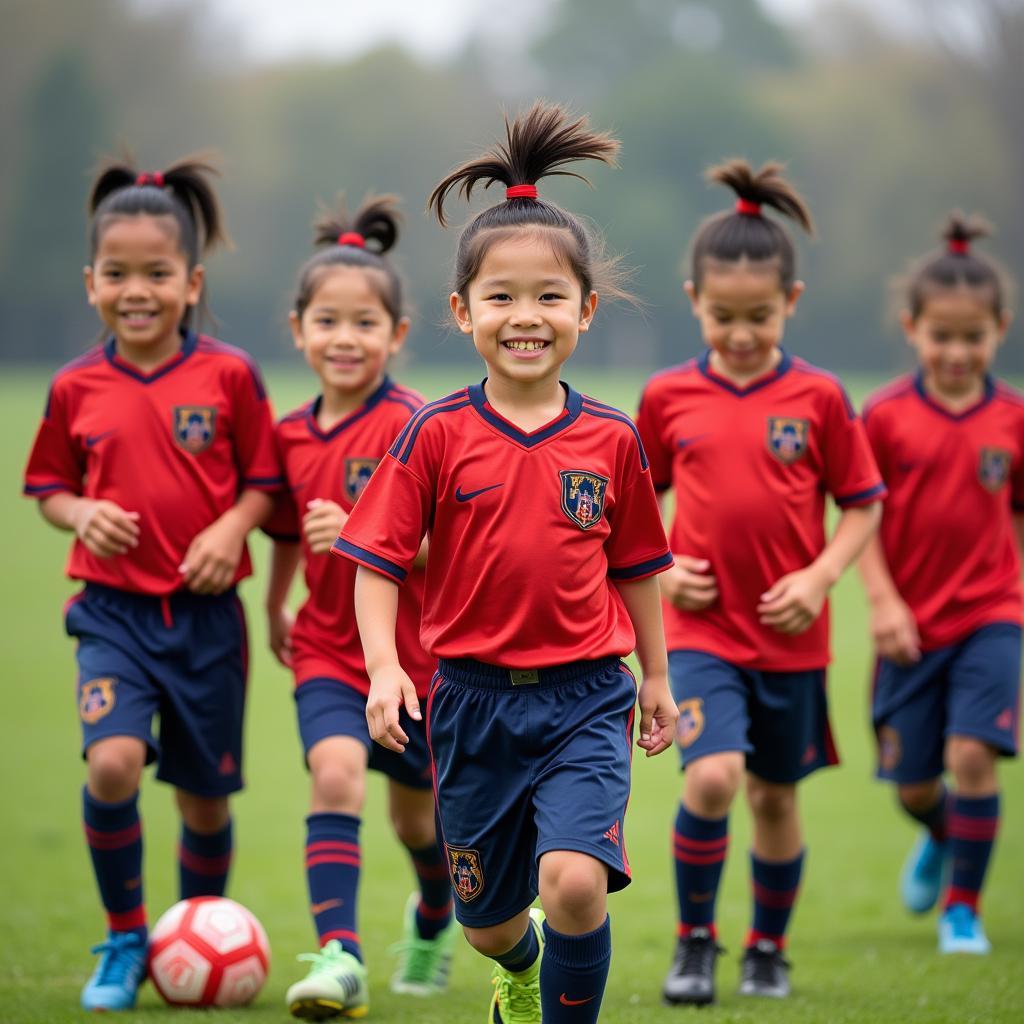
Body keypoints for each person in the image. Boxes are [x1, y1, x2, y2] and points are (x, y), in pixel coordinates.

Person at [333, 102, 679, 1024]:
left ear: (585, 310)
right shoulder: (435, 432)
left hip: (586, 698)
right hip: (472, 703)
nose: (525, 317)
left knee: (572, 883)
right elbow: (376, 561)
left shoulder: (612, 439)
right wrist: (380, 669)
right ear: (462, 310)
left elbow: (639, 566)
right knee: (488, 923)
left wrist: (655, 677)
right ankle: (514, 971)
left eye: (549, 297)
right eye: (501, 297)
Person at [22, 157, 282, 1011]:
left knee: (205, 804)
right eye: (119, 274)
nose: (138, 290)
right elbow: (50, 488)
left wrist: (229, 527)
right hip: (111, 618)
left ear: (192, 282)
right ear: (91, 281)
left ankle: (193, 932)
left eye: (158, 274)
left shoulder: (231, 376)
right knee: (114, 765)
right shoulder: (74, 386)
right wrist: (78, 516)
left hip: (207, 625)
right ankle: (128, 936)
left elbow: (264, 481)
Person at [635, 161, 885, 1005]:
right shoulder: (667, 396)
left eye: (761, 316)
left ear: (793, 301)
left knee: (776, 800)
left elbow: (861, 507)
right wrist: (664, 572)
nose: (740, 333)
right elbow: (633, 510)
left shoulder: (819, 397)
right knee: (713, 778)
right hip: (703, 637)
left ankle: (767, 950)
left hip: (792, 641)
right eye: (721, 315)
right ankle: (694, 941)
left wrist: (820, 577)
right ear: (694, 299)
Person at [263, 194, 456, 1019]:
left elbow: (449, 551)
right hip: (329, 652)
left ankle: (436, 915)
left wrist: (362, 537)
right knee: (335, 774)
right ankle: (340, 958)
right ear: (298, 328)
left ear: (397, 334)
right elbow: (279, 532)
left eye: (365, 323)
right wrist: (276, 604)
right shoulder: (288, 434)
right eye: (328, 322)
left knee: (420, 826)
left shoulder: (413, 424)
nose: (346, 339)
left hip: (418, 663)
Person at [858, 214, 1020, 955]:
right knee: (917, 785)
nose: (957, 354)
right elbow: (858, 518)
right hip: (909, 626)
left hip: (993, 616)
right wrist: (884, 602)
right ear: (911, 328)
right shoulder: (885, 418)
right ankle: (941, 831)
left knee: (972, 757)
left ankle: (963, 909)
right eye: (941, 337)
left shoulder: (1013, 419)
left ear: (1000, 330)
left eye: (973, 338)